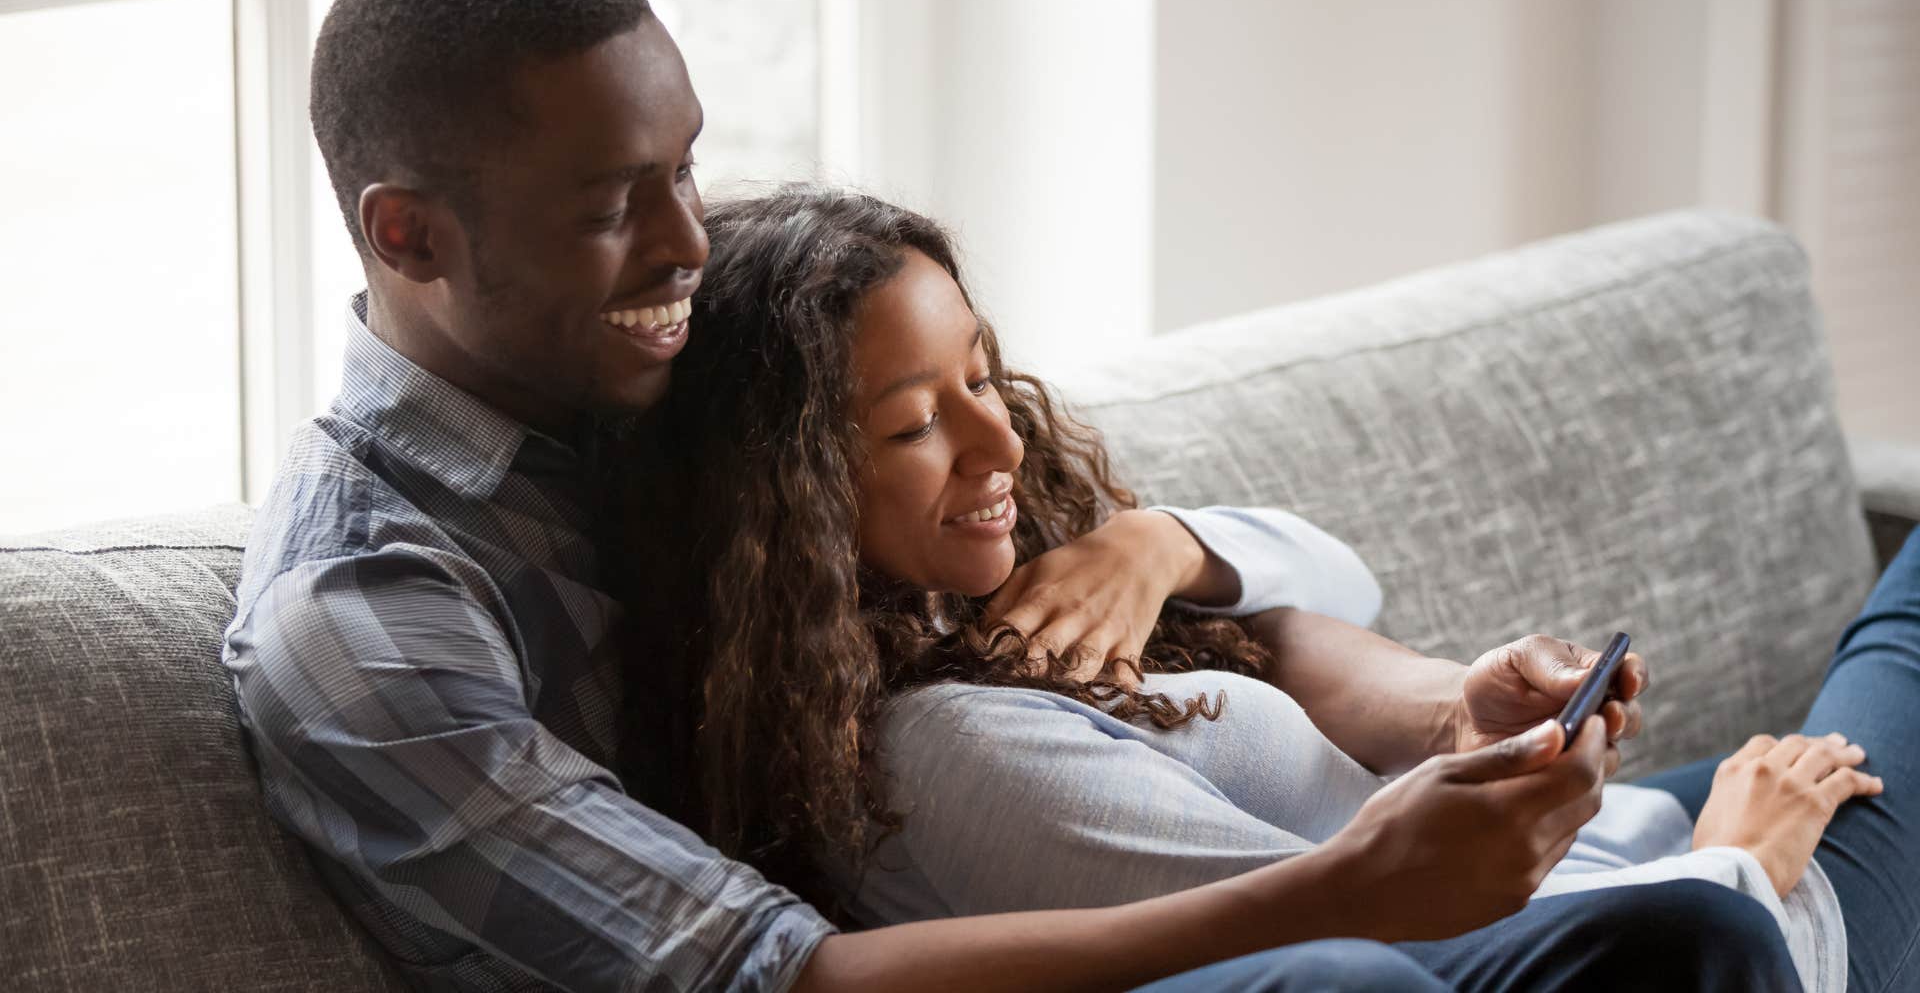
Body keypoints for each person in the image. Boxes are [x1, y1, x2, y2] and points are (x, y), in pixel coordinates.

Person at [223, 0, 1795, 990]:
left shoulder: (668, 378)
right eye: (611, 206)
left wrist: (1159, 542)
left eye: (687, 172)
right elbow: (774, 973)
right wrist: (1356, 885)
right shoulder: (367, 614)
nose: (689, 243)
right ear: (407, 233)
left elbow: (1242, 605)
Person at [622, 185, 1898, 992]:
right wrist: (1740, 865)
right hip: (1648, 916)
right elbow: (1390, 931)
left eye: (982, 374)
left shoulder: (997, 611)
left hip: (1608, 862)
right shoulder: (947, 751)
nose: (1001, 442)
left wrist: (1162, 546)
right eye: (915, 426)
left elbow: (1325, 588)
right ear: (786, 504)